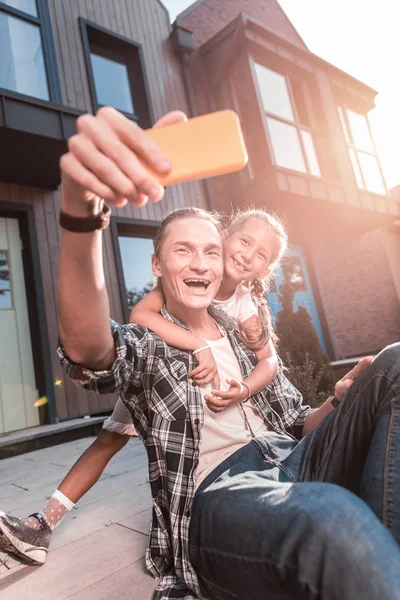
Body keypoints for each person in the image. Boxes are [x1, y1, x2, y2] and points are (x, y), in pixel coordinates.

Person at [1, 107, 400, 600]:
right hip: (224, 492)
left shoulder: (240, 332)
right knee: (330, 517)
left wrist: (338, 401)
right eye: (183, 250)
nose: (202, 262)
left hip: (292, 458)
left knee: (394, 363)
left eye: (210, 251)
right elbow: (91, 350)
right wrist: (83, 216)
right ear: (157, 264)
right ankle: (46, 519)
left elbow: (298, 421)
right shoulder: (155, 340)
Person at [0, 206, 286, 561]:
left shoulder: (243, 303)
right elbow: (140, 315)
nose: (247, 255)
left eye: (262, 255)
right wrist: (197, 344)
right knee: (108, 440)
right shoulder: (185, 279)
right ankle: (43, 523)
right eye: (244, 241)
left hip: (201, 409)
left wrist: (244, 388)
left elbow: (269, 360)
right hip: (155, 374)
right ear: (224, 238)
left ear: (265, 269)